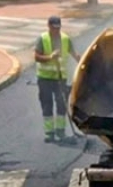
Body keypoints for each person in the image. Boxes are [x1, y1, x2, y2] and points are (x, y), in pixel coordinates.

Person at [34, 15, 81, 144]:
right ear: (48, 26)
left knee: (61, 105)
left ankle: (61, 131)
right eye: (54, 28)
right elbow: (37, 57)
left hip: (60, 78)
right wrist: (50, 57)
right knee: (47, 104)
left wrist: (81, 61)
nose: (56, 30)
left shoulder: (65, 39)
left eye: (58, 28)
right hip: (45, 78)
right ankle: (49, 133)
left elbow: (74, 54)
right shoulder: (42, 39)